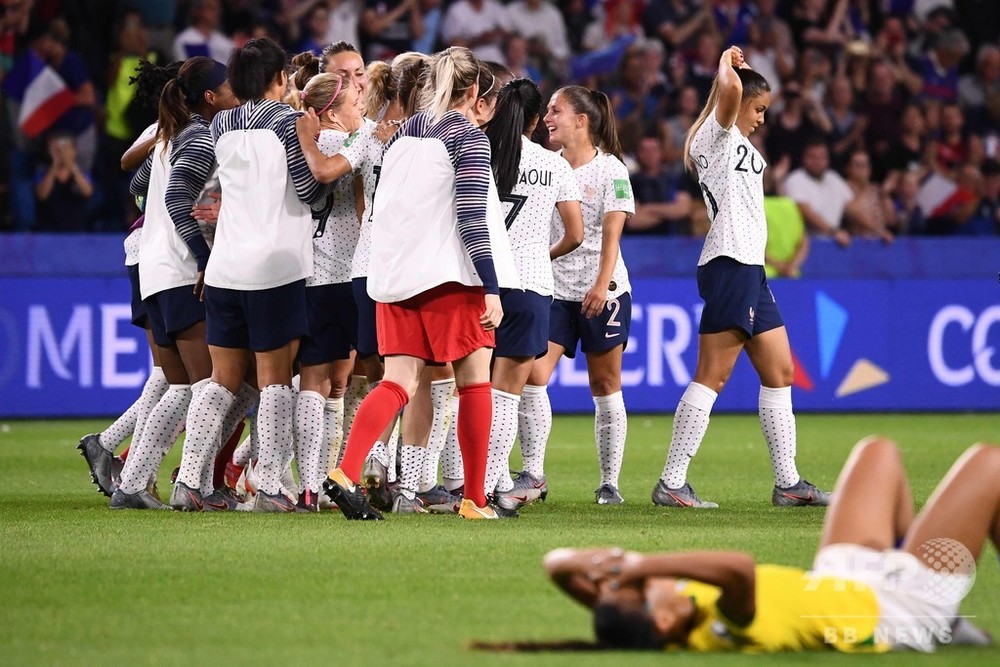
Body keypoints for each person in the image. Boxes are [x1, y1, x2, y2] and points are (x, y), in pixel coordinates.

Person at [540, 435, 997, 652]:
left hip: (840, 580)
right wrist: (641, 565)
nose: (645, 577)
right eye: (642, 587)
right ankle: (937, 614)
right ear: (661, 618)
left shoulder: (666, 614)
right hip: (898, 612)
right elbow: (737, 567)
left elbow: (556, 565)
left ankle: (949, 618)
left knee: (878, 452)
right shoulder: (723, 625)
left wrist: (615, 566)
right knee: (990, 464)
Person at [323, 46, 518, 521]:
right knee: (474, 384)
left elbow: (382, 208)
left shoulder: (403, 134)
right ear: (472, 92)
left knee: (397, 382)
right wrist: (491, 286)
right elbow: (472, 217)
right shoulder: (467, 137)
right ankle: (475, 498)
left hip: (396, 275)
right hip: (451, 277)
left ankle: (345, 472)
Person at [652, 46, 829, 509]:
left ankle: (788, 483)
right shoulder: (715, 133)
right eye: (759, 109)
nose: (762, 119)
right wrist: (727, 64)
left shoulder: (736, 142)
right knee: (714, 374)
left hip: (751, 268)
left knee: (781, 371)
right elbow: (729, 90)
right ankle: (671, 482)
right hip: (729, 262)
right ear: (737, 102)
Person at [185, 37, 329, 513]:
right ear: (280, 78)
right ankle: (267, 485)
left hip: (226, 264)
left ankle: (189, 482)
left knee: (221, 380)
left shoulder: (219, 123)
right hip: (277, 265)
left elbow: (194, 191)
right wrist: (311, 142)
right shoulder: (290, 123)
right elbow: (310, 191)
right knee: (273, 381)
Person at [110, 56, 244, 511]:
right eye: (229, 86)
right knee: (210, 387)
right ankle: (195, 484)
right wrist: (205, 256)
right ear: (211, 97)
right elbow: (171, 197)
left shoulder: (173, 138)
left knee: (184, 387)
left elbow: (139, 188)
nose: (235, 91)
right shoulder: (201, 137)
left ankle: (132, 483)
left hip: (155, 271)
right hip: (185, 273)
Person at [520, 84, 635, 506]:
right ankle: (533, 474)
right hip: (554, 288)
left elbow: (613, 233)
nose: (547, 117)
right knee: (534, 376)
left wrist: (602, 285)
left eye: (556, 110)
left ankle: (609, 482)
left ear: (581, 121)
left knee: (604, 383)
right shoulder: (546, 165)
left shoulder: (611, 171)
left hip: (603, 289)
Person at [480, 77, 584, 512]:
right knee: (508, 394)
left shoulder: (479, 152)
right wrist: (543, 253)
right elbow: (575, 234)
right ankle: (491, 484)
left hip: (481, 284)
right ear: (538, 119)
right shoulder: (555, 165)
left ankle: (455, 482)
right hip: (531, 287)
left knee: (469, 389)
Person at [288, 61, 365, 512]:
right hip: (344, 275)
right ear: (332, 111)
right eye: (355, 103)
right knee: (336, 382)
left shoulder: (308, 143)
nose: (361, 109)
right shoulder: (340, 143)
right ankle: (332, 479)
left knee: (323, 383)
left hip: (312, 273)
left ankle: (313, 484)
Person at [783, 137, 854, 247]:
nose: (818, 162)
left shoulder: (834, 178)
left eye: (822, 157)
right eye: (813, 157)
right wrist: (834, 232)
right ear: (804, 158)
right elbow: (805, 211)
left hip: (833, 242)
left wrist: (877, 230)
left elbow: (852, 207)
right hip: (804, 245)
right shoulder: (795, 179)